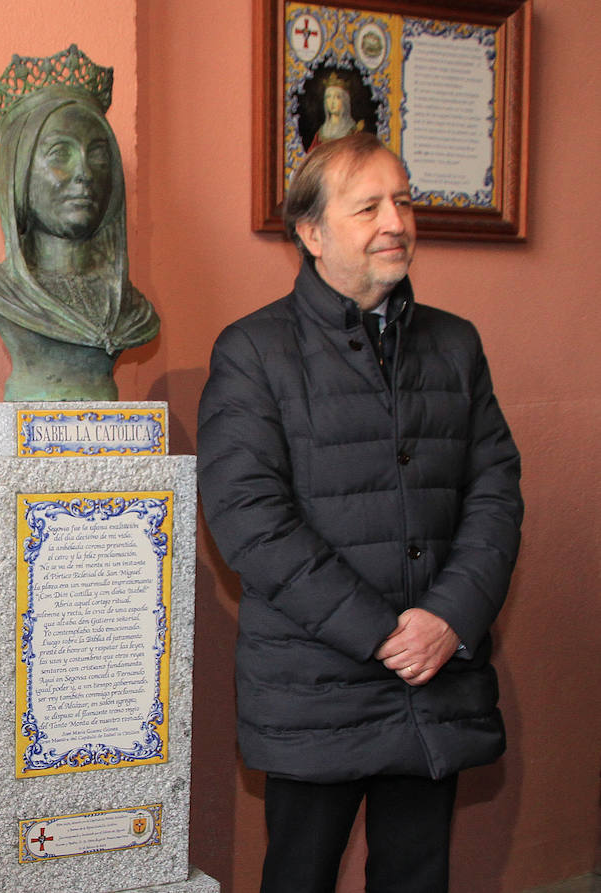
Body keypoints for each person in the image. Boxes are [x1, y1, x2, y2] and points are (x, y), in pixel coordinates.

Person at [197, 133, 523, 892]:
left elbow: (496, 492)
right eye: (369, 205)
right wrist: (380, 633)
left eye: (404, 201)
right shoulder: (253, 352)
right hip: (317, 686)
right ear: (311, 233)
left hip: (434, 676)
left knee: (416, 877)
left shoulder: (456, 345)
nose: (396, 222)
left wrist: (448, 617)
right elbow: (249, 517)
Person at [0, 84, 158, 400]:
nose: (85, 173)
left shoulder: (133, 310)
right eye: (60, 154)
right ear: (20, 175)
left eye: (97, 155)